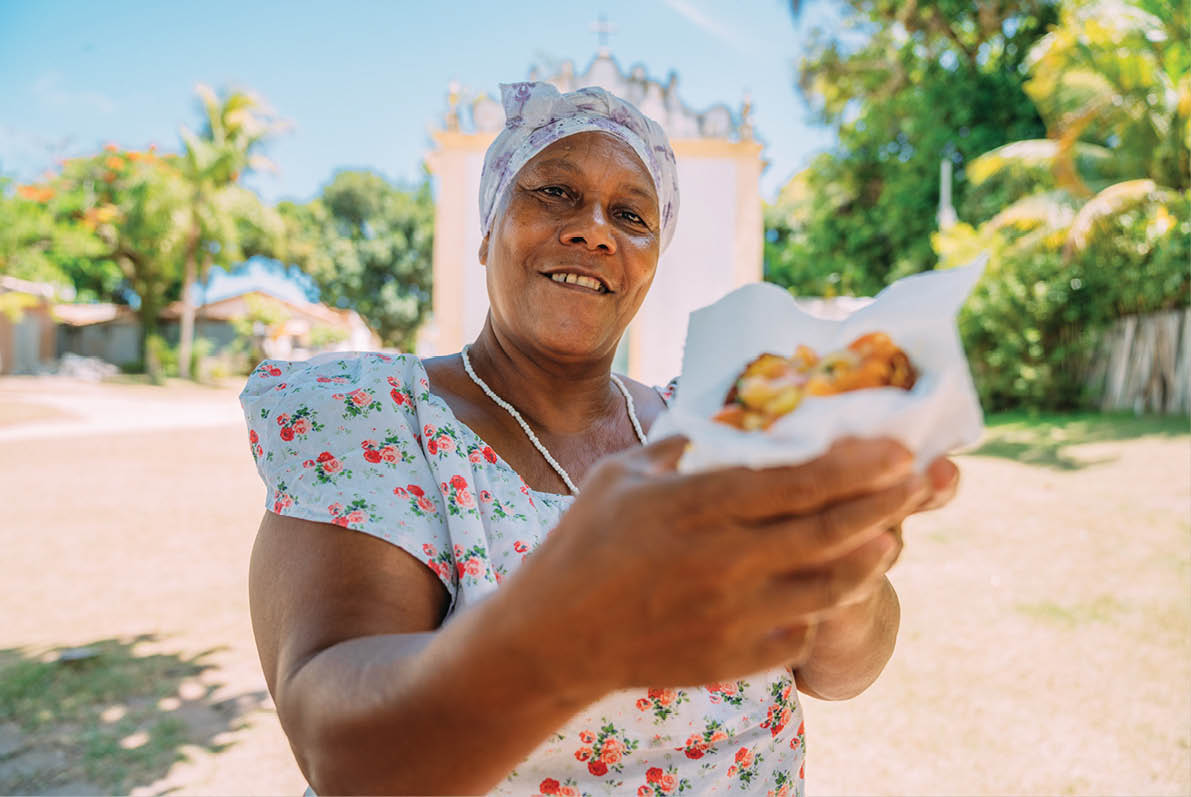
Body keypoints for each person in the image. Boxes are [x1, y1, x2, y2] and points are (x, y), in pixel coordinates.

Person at [240, 81, 958, 797]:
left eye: (629, 214)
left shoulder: (715, 426)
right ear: (488, 226)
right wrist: (566, 633)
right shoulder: (383, 422)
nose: (593, 229)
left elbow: (840, 673)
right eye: (553, 191)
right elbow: (341, 752)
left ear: (650, 261)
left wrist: (843, 568)